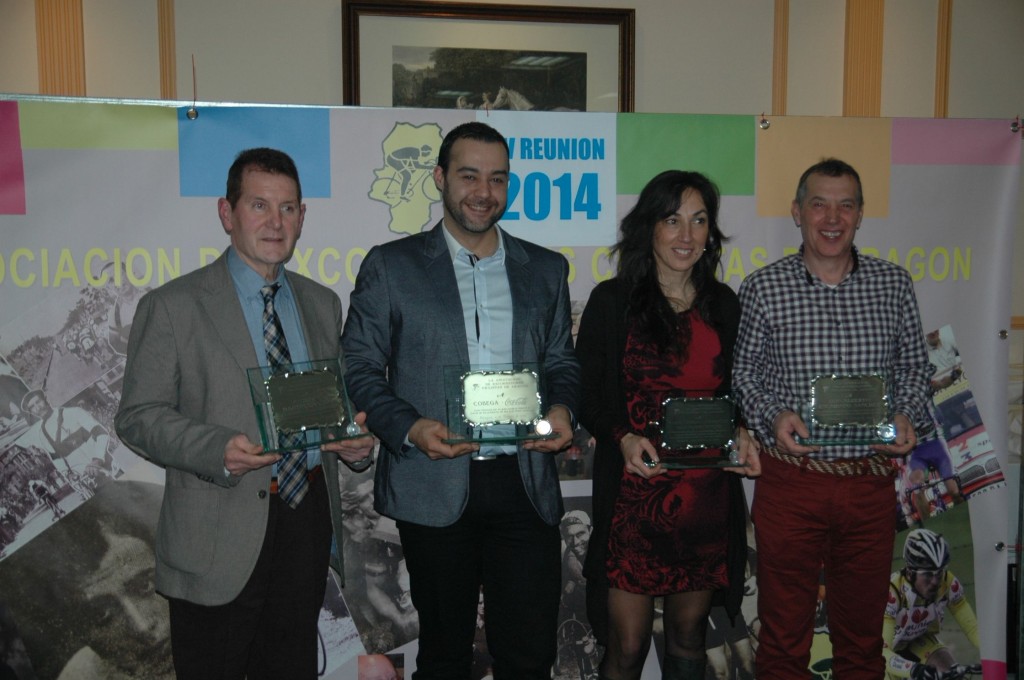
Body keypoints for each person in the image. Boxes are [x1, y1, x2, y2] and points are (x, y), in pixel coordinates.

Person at [114, 147, 375, 679]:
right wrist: (217, 449)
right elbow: (138, 416)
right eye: (259, 206)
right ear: (226, 213)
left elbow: (336, 406)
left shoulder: (322, 303)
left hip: (304, 523)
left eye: (287, 208)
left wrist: (354, 442)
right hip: (217, 530)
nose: (275, 222)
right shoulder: (173, 306)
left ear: (303, 217)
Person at [342, 121, 580, 679]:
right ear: (440, 178)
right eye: (469, 175)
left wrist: (564, 409)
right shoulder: (391, 265)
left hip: (523, 481)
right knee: (446, 657)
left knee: (528, 656)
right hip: (434, 480)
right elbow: (358, 366)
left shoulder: (545, 270)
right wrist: (408, 426)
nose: (484, 191)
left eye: (498, 179)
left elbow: (562, 362)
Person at [733, 158, 933, 679]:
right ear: (797, 212)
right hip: (791, 485)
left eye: (845, 204)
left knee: (862, 644)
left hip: (867, 486)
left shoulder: (893, 285)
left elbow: (914, 367)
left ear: (861, 215)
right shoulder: (763, 288)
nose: (832, 217)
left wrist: (906, 416)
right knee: (781, 643)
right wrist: (774, 417)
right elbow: (745, 377)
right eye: (819, 203)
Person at [574, 170, 760, 680]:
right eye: (672, 220)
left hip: (704, 497)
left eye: (699, 221)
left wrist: (742, 429)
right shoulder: (612, 302)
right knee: (628, 645)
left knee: (688, 639)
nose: (686, 235)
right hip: (636, 496)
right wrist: (623, 437)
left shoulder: (723, 305)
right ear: (648, 229)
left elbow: (735, 391)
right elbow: (587, 394)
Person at [883, 529, 980, 680]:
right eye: (928, 574)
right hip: (883, 652)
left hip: (916, 640)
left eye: (939, 572)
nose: (935, 581)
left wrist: (992, 655)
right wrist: (914, 670)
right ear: (910, 572)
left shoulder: (947, 583)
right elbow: (883, 653)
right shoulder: (892, 593)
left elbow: (972, 628)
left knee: (951, 675)